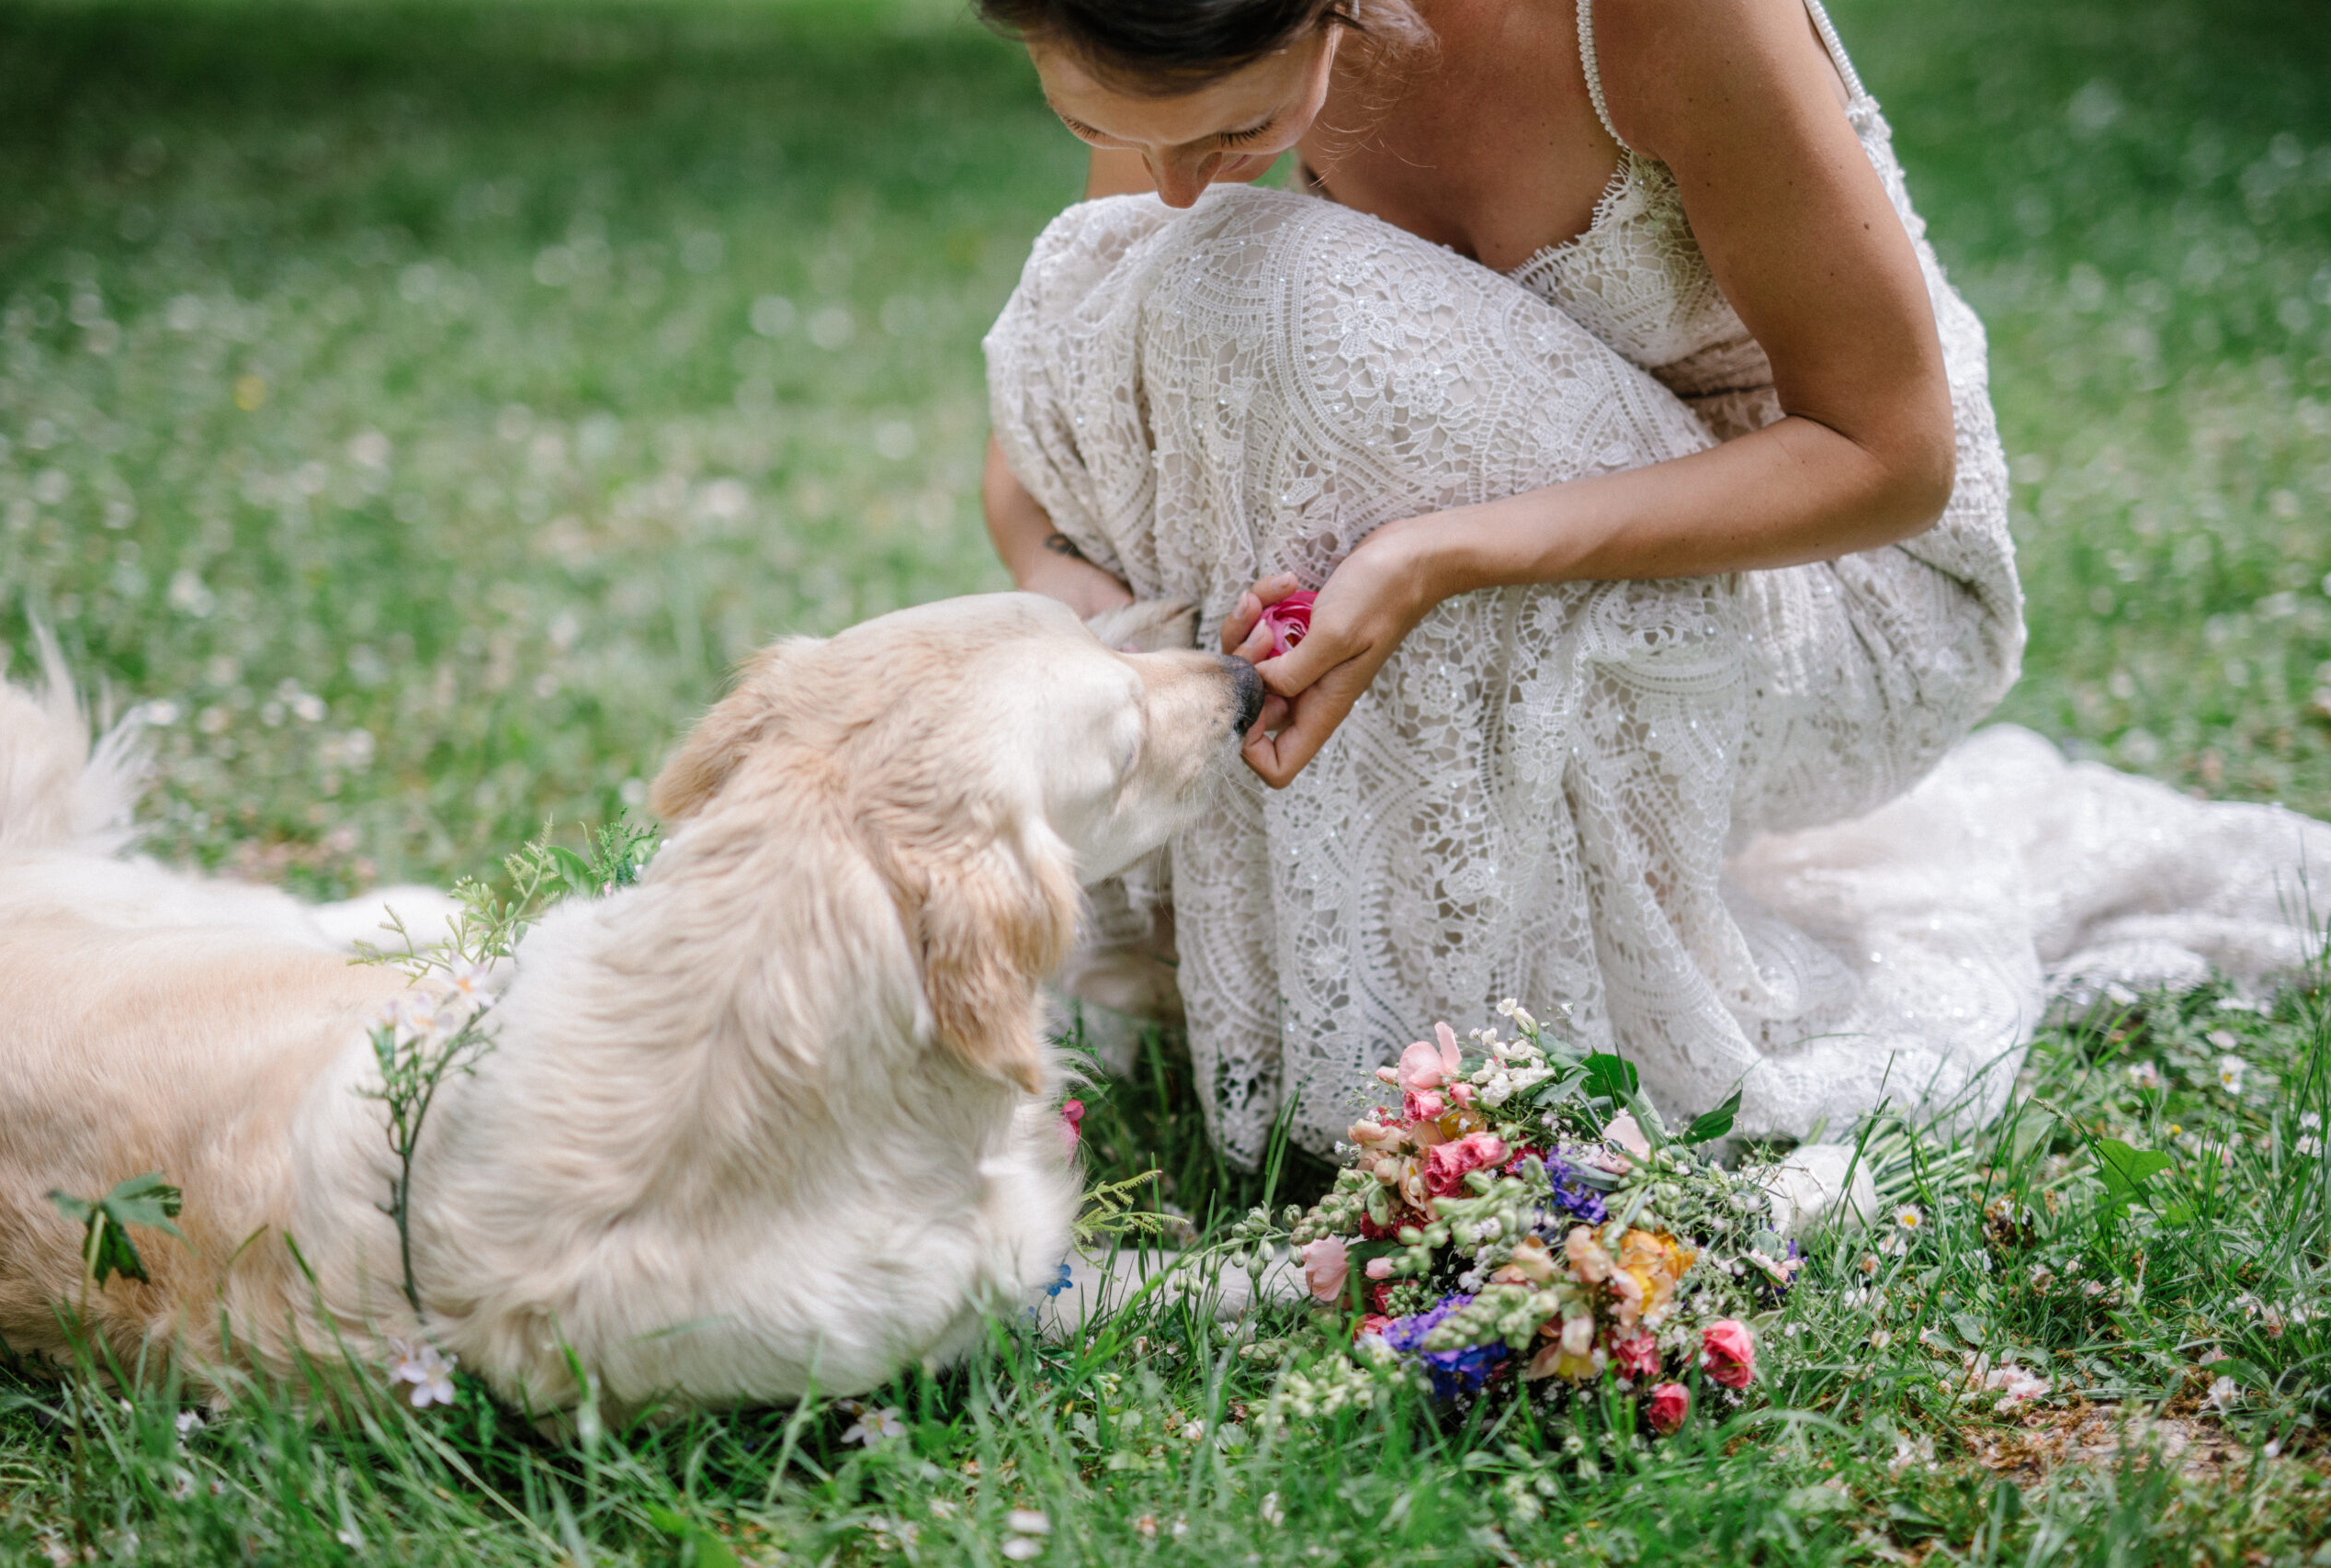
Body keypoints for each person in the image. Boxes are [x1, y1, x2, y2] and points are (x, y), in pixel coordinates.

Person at [973, 0, 2331, 1166]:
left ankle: (1461, 1067)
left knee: (1292, 307)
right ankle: (1332, 1005)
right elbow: (1069, 371)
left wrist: (1439, 554)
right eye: (1100, 131)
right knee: (1191, 285)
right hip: (1541, 523)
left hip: (1840, 582)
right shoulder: (1170, 52)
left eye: (1222, 134)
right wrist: (1067, 590)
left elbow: (1892, 457)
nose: (1166, 183)